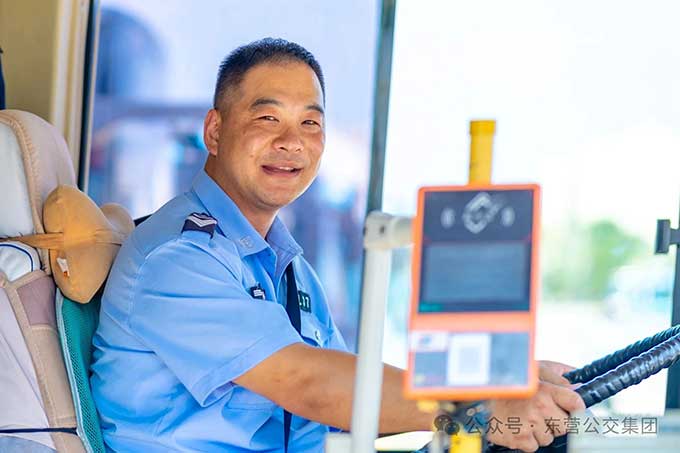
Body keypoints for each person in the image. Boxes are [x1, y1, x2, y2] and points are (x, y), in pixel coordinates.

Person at [90, 37, 585, 453]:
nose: (292, 142)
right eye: (268, 119)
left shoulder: (289, 268)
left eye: (310, 123)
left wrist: (495, 379)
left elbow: (349, 400)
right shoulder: (179, 258)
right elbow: (308, 384)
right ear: (215, 131)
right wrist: (474, 405)